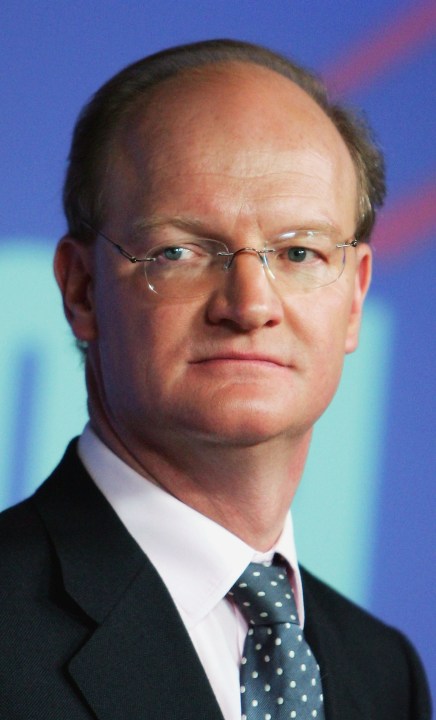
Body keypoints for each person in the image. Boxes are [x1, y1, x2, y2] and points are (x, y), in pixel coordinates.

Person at [0, 39, 431, 719]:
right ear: (81, 290)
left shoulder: (382, 674)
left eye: (300, 252)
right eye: (179, 251)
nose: (251, 305)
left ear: (354, 298)